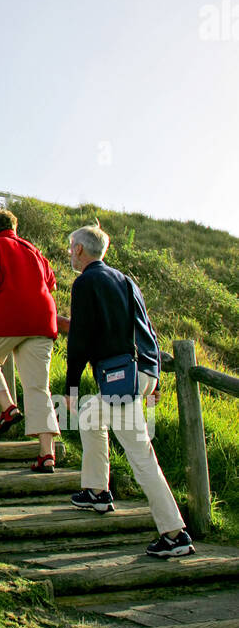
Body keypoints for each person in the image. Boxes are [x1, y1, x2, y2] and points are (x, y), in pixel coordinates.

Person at [64, 223, 194, 558]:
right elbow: (148, 328)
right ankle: (96, 490)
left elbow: (79, 339)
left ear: (79, 249)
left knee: (140, 455)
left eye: (70, 247)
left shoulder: (85, 283)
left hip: (122, 377)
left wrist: (71, 387)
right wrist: (156, 379)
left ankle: (175, 533)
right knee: (92, 413)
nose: (69, 252)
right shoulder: (125, 280)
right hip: (143, 371)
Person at [0, 209, 61, 472]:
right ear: (14, 227)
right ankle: (47, 454)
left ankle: (8, 408)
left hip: (8, 319)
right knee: (38, 387)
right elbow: (51, 284)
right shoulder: (34, 250)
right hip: (42, 322)